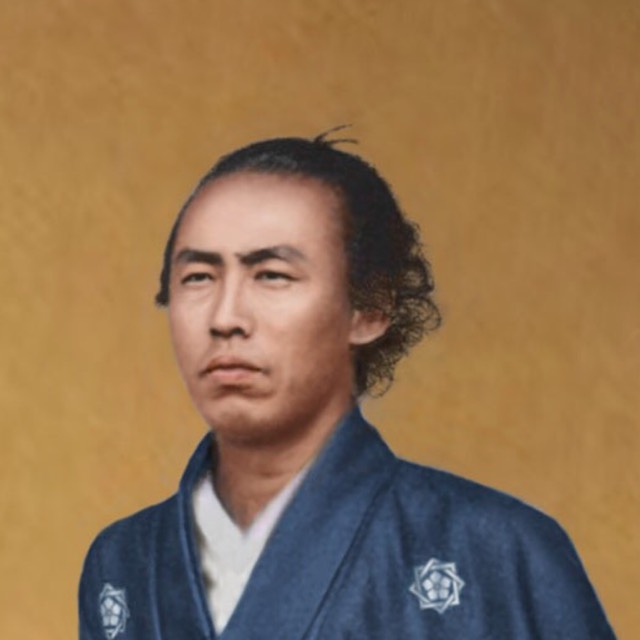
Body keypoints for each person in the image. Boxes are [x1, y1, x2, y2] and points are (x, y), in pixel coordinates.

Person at [79, 132, 617, 639]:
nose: (225, 318)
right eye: (198, 277)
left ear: (370, 308)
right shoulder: (123, 562)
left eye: (272, 275)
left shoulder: (499, 548)